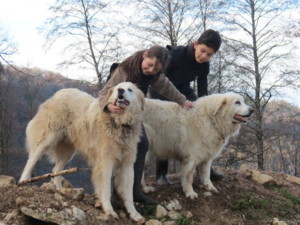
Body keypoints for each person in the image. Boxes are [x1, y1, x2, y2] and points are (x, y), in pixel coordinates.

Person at [98, 45, 193, 204]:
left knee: (142, 145)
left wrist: (183, 101)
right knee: (114, 152)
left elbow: (168, 88)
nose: (151, 70)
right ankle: (113, 196)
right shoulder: (124, 70)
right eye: (149, 65)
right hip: (113, 116)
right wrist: (107, 106)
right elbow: (103, 92)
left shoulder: (155, 75)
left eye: (156, 69)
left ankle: (135, 191)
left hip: (131, 117)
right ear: (145, 55)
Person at [149, 29, 224, 185]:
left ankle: (205, 168)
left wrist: (208, 111)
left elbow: (203, 92)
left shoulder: (205, 66)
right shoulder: (175, 55)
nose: (204, 56)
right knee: (164, 128)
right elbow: (158, 78)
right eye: (202, 51)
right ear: (196, 44)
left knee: (200, 117)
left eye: (209, 54)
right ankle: (161, 175)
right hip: (161, 89)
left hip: (183, 89)